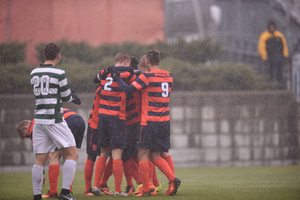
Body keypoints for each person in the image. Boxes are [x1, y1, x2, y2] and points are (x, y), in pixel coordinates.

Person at [111, 49, 181, 196]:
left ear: (147, 62)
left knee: (142, 154)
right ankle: (172, 179)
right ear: (159, 61)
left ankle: (147, 189)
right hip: (164, 121)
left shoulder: (146, 77)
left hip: (149, 122)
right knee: (155, 155)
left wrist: (117, 79)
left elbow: (129, 90)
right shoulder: (169, 76)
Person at [29, 42, 81, 200]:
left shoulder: (33, 73)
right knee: (72, 154)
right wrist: (73, 97)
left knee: (40, 159)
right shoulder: (59, 73)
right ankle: (65, 193)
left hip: (38, 119)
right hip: (54, 118)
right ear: (58, 56)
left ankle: (36, 196)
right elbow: (65, 96)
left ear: (44, 55)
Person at [92, 52, 136, 196]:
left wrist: (106, 71)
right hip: (117, 117)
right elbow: (138, 82)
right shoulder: (127, 74)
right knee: (117, 153)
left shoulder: (105, 73)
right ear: (126, 61)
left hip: (102, 116)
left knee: (103, 152)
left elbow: (95, 79)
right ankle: (118, 190)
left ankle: (96, 186)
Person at [17, 108, 85, 199]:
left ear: (26, 128)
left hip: (67, 121)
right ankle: (68, 191)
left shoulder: (35, 125)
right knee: (69, 155)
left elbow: (40, 153)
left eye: (25, 135)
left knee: (53, 156)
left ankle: (54, 192)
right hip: (79, 120)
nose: (28, 137)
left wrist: (42, 172)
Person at [84, 84, 113, 196]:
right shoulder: (103, 88)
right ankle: (88, 189)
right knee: (92, 155)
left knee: (114, 154)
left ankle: (102, 184)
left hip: (109, 125)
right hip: (95, 125)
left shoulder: (111, 85)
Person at [258, 20, 289, 89]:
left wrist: (285, 56)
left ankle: (280, 86)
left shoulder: (279, 35)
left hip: (279, 58)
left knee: (279, 73)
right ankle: (271, 87)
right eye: (270, 27)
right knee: (270, 73)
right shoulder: (264, 36)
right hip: (269, 58)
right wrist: (264, 57)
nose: (272, 28)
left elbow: (284, 47)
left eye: (273, 27)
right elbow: (261, 47)